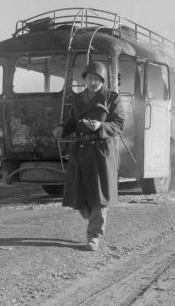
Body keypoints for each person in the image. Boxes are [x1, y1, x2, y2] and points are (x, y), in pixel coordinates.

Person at [52, 61, 125, 251]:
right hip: (80, 150)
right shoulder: (76, 99)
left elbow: (119, 125)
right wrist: (62, 128)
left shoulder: (112, 98)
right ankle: (92, 222)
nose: (93, 82)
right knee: (78, 193)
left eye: (97, 79)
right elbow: (72, 122)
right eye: (90, 78)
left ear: (102, 81)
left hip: (101, 151)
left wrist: (101, 126)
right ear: (84, 79)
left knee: (99, 197)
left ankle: (94, 236)